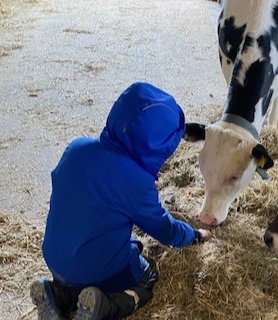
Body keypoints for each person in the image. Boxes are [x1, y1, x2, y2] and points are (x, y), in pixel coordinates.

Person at [29, 82, 212, 320]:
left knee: (87, 260)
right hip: (98, 270)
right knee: (147, 278)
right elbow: (165, 230)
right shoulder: (136, 182)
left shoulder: (76, 148)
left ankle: (58, 294)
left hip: (55, 259)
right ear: (158, 145)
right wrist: (194, 235)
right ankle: (105, 306)